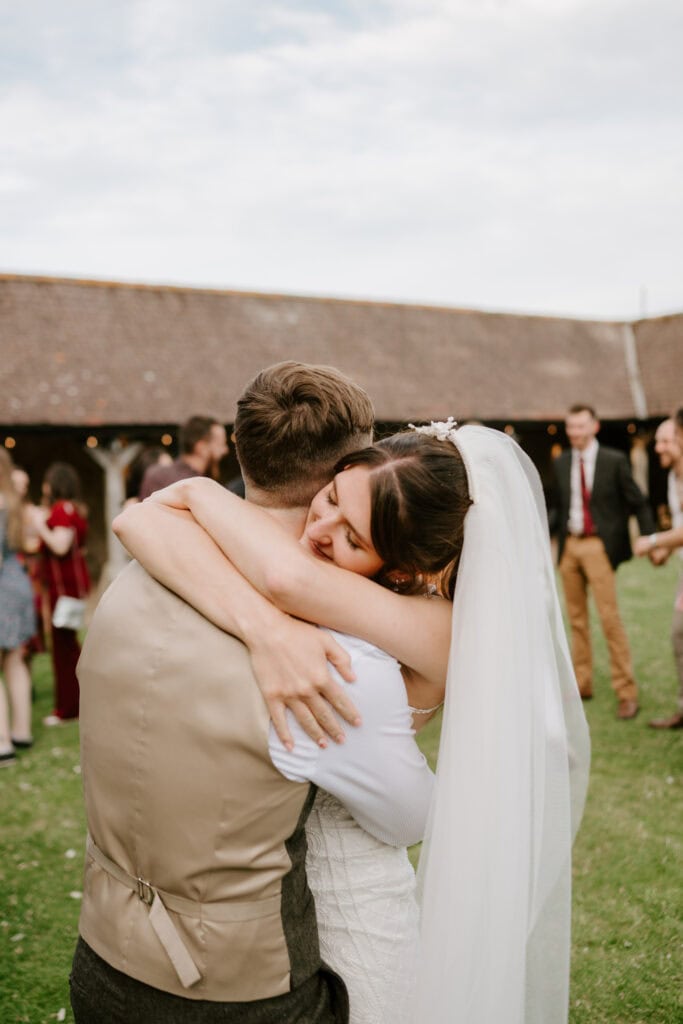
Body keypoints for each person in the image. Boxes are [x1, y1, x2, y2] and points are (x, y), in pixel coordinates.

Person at [117, 410, 590, 1023]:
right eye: (332, 496)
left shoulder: (436, 631)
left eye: (353, 538)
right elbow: (137, 521)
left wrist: (200, 493)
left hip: (347, 880)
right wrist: (265, 632)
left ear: (398, 570)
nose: (321, 528)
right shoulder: (363, 589)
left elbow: (285, 576)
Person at [72, 361, 441, 1024]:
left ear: (236, 446)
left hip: (99, 963)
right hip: (241, 993)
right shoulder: (339, 658)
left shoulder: (129, 582)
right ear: (343, 467)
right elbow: (408, 821)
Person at [550, 403, 656, 719]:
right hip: (569, 547)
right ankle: (582, 683)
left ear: (594, 427)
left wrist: (651, 540)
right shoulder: (562, 461)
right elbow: (560, 504)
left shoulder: (614, 460)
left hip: (599, 546)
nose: (574, 433)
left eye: (580, 426)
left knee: (610, 619)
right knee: (577, 621)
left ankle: (626, 691)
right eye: (570, 427)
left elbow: (638, 502)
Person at [633, 411, 683, 729]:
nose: (659, 447)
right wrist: (666, 548)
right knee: (679, 636)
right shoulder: (671, 478)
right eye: (658, 441)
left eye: (665, 441)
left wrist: (652, 540)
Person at [32, 462, 91, 725]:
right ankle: (79, 700)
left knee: (63, 649)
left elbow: (60, 545)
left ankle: (68, 708)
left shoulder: (60, 511)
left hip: (62, 589)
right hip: (72, 586)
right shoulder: (74, 509)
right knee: (69, 645)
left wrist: (39, 524)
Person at [0, 450, 36, 765]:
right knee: (14, 662)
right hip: (19, 583)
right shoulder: (14, 504)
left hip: (1, 587)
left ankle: (2, 743)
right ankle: (22, 731)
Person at [138, 415, 228, 500]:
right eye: (220, 444)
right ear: (201, 447)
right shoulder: (199, 487)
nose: (225, 450)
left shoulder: (155, 474)